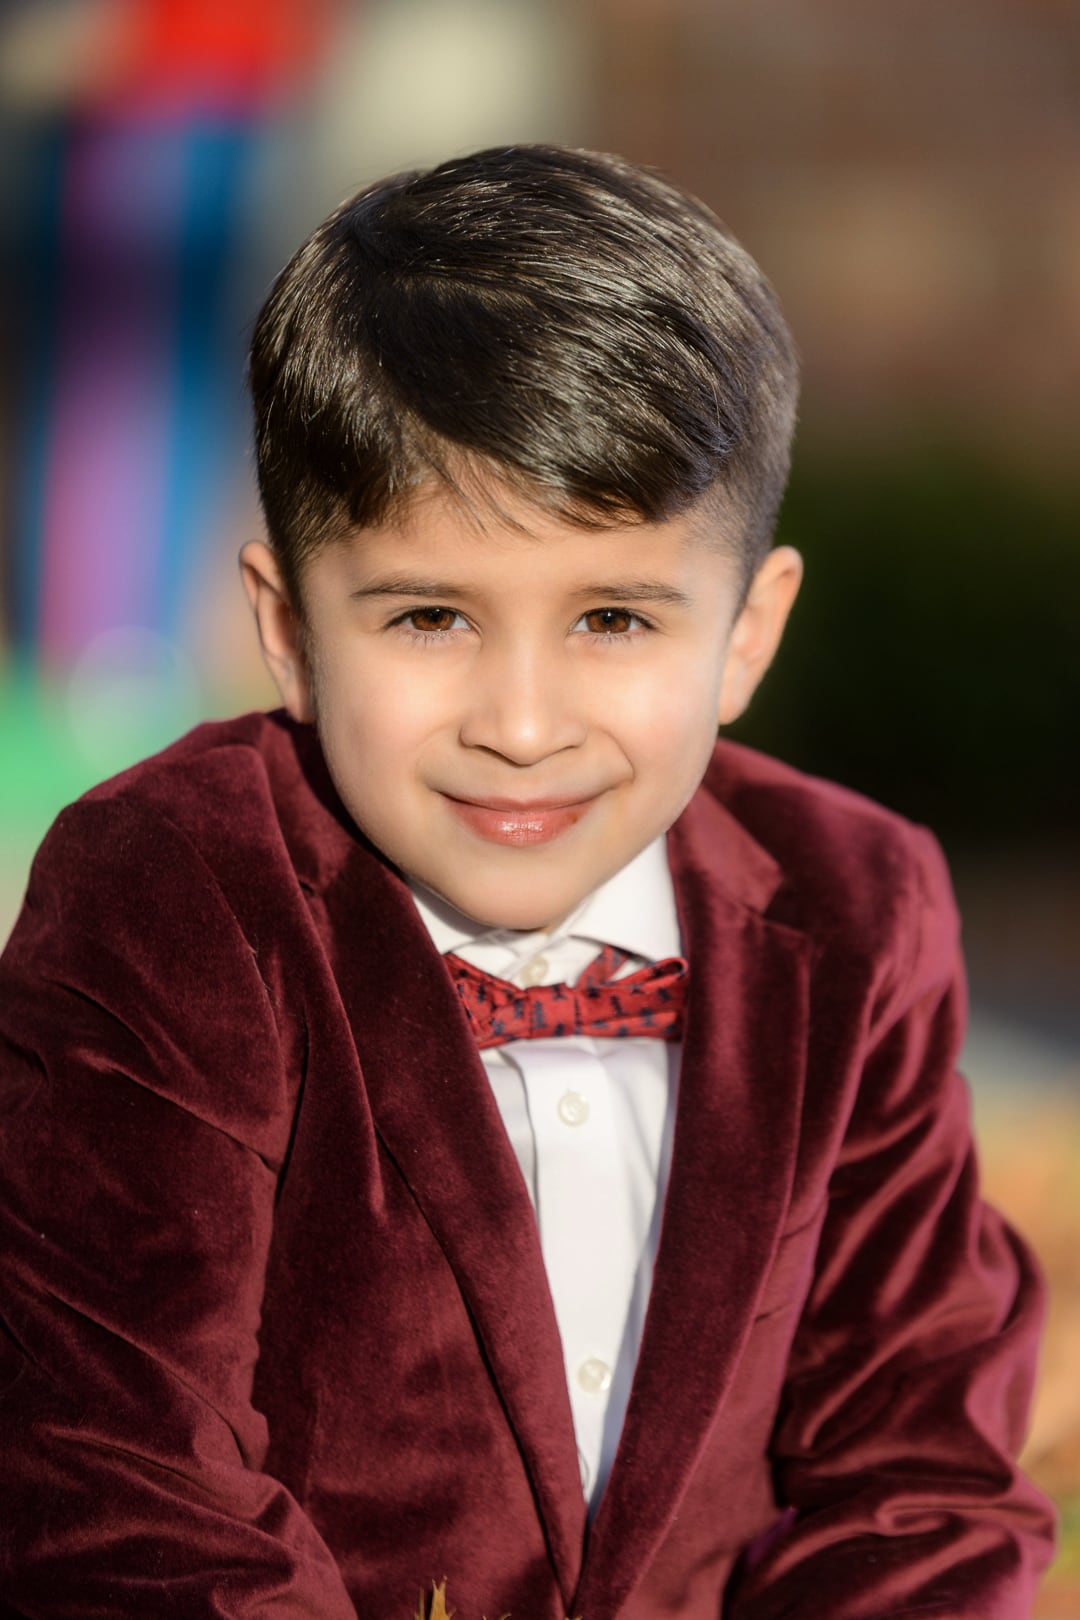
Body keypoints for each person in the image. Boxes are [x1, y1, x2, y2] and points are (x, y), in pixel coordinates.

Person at [0, 144, 1055, 1619]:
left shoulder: (855, 905)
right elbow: (123, 1486)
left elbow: (916, 1472)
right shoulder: (172, 892)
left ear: (748, 633)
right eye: (430, 615)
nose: (521, 722)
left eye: (614, 617)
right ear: (290, 630)